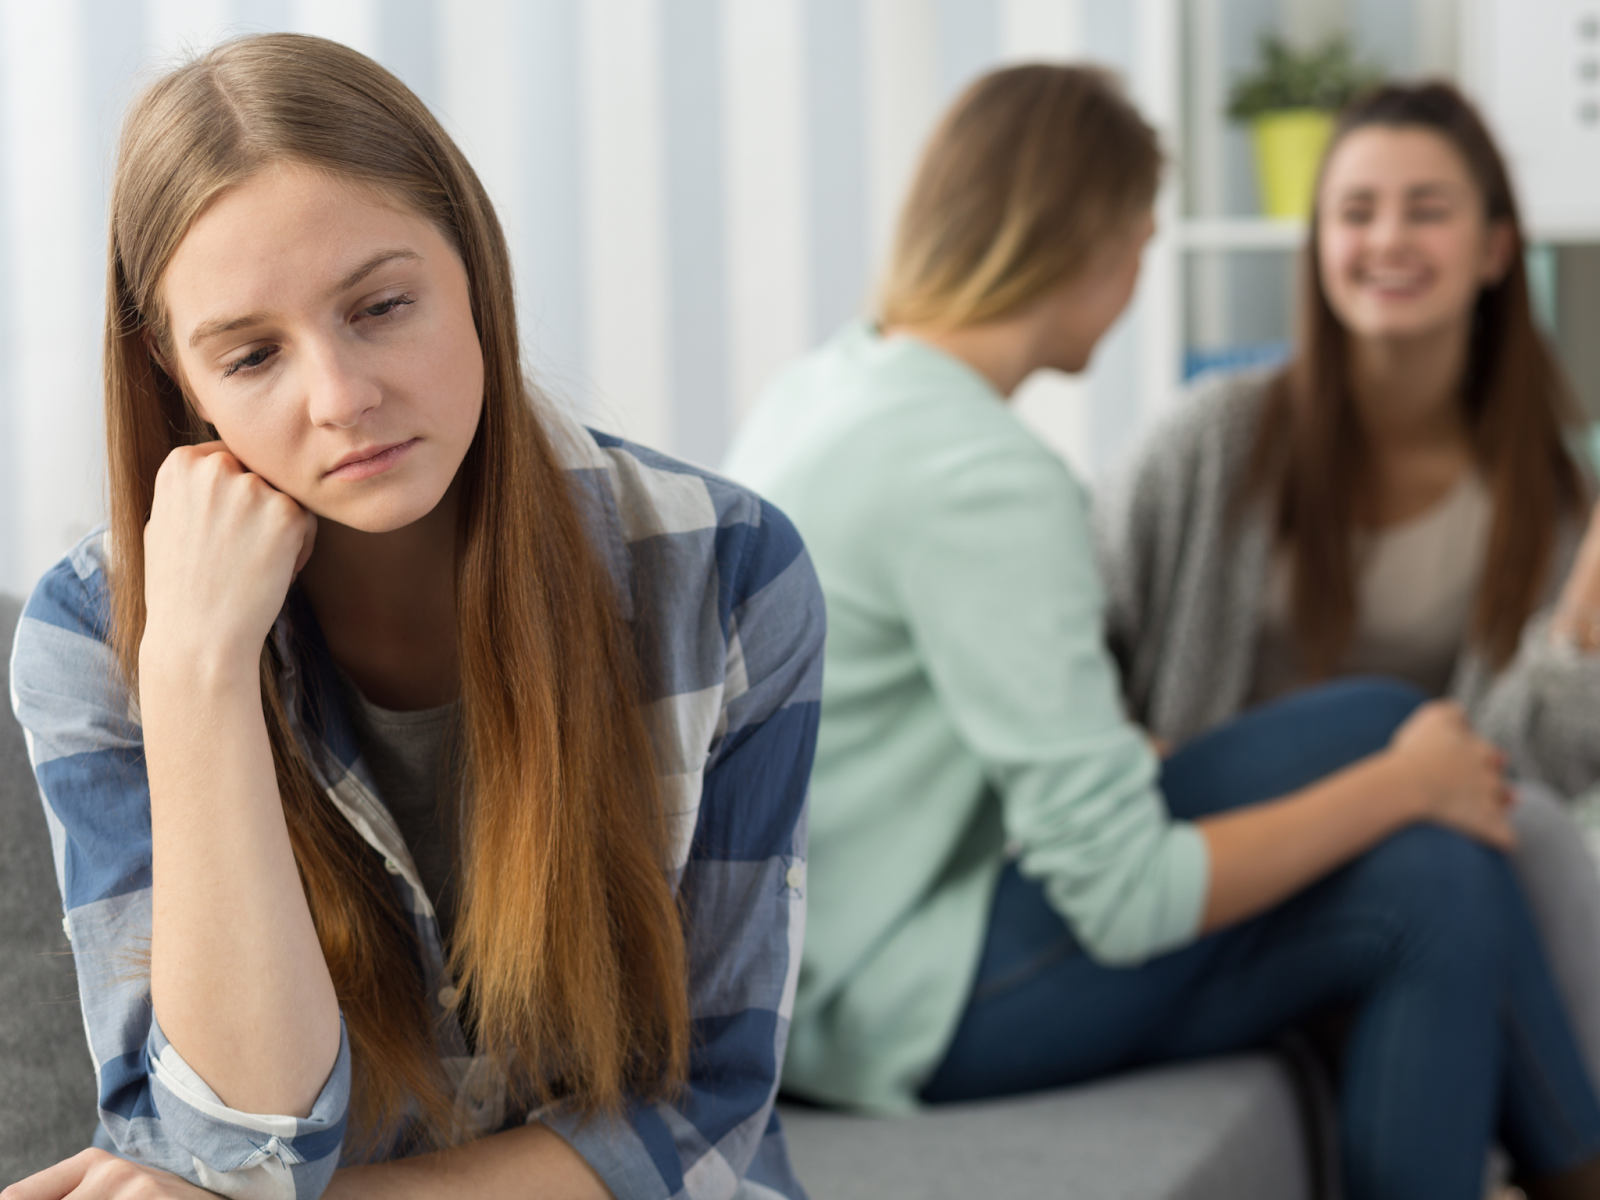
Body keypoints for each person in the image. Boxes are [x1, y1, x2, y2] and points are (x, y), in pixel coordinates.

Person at [722, 64, 1600, 1200]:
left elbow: (1024, 697)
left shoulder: (830, 387)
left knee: (1421, 805)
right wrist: (1397, 787)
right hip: (888, 1002)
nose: (1139, 273)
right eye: (1138, 239)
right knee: (1423, 853)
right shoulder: (986, 472)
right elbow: (1124, 893)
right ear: (1084, 242)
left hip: (825, 961)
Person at [4, 33, 822, 1200]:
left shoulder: (726, 570)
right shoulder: (94, 636)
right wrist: (197, 671)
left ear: (473, 266)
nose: (341, 398)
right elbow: (235, 1147)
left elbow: (705, 1114)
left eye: (382, 306)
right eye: (250, 356)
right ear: (177, 378)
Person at [1096, 81, 1600, 1073]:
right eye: (1355, 212)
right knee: (1410, 769)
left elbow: (1510, 776)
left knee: (1504, 844)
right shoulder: (1209, 440)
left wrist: (1580, 622)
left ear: (1497, 249)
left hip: (1421, 871)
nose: (1386, 240)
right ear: (1317, 245)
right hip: (1223, 866)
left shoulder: (1548, 496)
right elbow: (1078, 640)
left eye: (1427, 210)